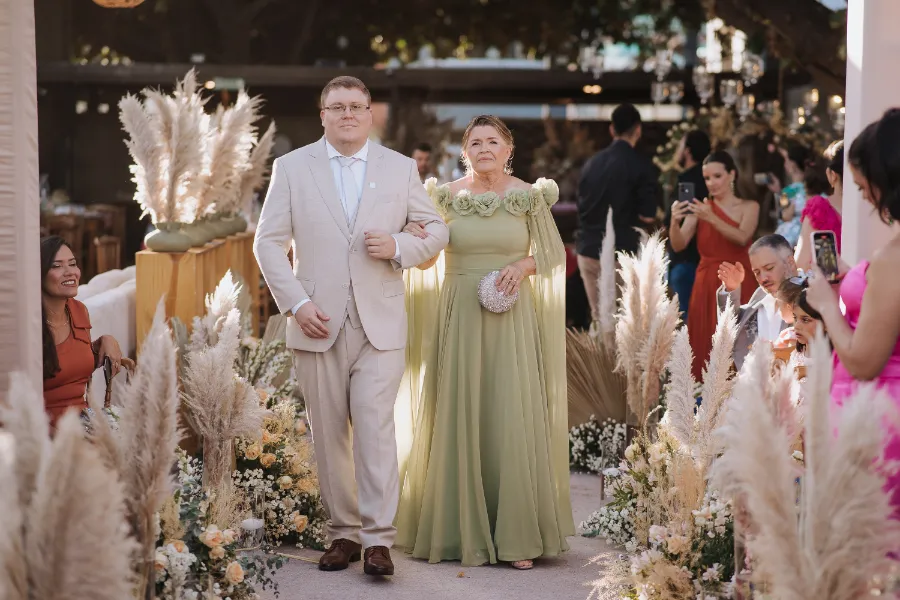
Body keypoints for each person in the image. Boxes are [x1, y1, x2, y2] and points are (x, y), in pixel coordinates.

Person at [253, 76, 449, 577]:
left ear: (369, 114)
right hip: (316, 321)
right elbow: (267, 242)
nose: (347, 115)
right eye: (336, 107)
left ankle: (379, 539)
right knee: (328, 435)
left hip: (379, 321)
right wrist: (296, 305)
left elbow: (435, 228)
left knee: (375, 428)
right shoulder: (292, 167)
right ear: (322, 115)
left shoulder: (401, 168)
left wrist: (401, 248)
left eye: (356, 107)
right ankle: (343, 534)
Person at [395, 115, 573, 569]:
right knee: (459, 410)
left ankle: (515, 536)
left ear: (508, 148)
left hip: (512, 317)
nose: (484, 148)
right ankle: (457, 530)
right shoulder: (443, 198)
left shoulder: (530, 196)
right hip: (458, 317)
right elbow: (425, 262)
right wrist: (415, 241)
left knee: (509, 411)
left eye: (493, 141)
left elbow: (553, 255)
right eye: (475, 142)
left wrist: (521, 267)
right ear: (463, 151)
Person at [806, 108, 900, 514]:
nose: (862, 197)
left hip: (880, 423)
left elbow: (863, 360)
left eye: (864, 188)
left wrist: (828, 307)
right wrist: (853, 279)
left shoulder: (895, 257)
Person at [669, 150, 760, 379]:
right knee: (705, 343)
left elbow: (741, 237)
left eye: (717, 176)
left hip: (739, 280)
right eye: (707, 178)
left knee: (739, 342)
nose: (711, 183)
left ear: (732, 175)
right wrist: (673, 220)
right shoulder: (701, 209)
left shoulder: (750, 206)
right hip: (707, 282)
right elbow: (679, 245)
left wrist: (710, 217)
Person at [576, 103, 658, 325]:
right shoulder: (641, 165)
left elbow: (581, 205)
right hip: (621, 252)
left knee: (599, 318)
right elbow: (648, 215)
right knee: (624, 323)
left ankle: (598, 360)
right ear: (638, 130)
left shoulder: (591, 163)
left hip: (588, 250)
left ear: (612, 129)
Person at [41, 235, 125, 431]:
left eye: (72, 264)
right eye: (57, 266)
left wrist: (104, 341)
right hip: (45, 433)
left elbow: (73, 360)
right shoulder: (29, 324)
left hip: (83, 421)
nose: (70, 272)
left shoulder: (78, 311)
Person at [716, 234, 796, 374]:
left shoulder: (812, 296)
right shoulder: (759, 299)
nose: (763, 278)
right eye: (757, 272)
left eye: (769, 268)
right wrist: (731, 289)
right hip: (747, 389)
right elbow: (728, 328)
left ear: (790, 262)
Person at [663, 129, 711, 320]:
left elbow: (682, 224)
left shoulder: (688, 181)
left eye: (681, 146)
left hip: (686, 261)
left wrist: (671, 221)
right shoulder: (707, 180)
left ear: (688, 151)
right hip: (702, 260)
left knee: (687, 322)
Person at [794, 141, 844, 272]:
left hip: (829, 290)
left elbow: (801, 265)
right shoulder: (878, 210)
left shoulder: (820, 209)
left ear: (831, 175)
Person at [770, 141, 812, 246]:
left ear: (792, 164)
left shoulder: (786, 192)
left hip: (792, 239)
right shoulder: (815, 189)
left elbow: (785, 216)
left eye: (786, 160)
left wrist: (778, 192)